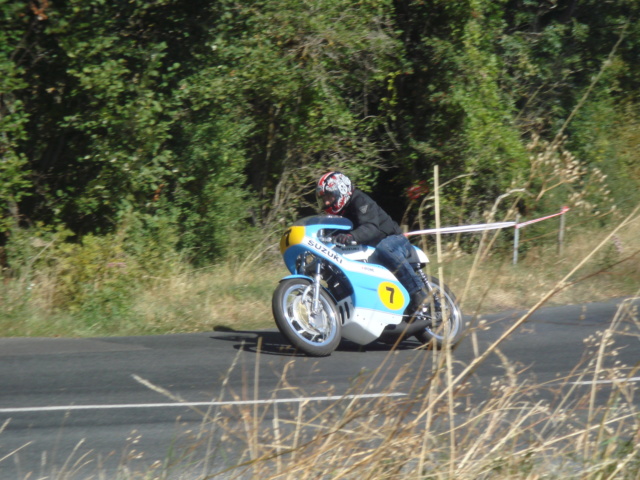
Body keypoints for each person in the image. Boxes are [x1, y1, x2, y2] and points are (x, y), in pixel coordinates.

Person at [316, 171, 428, 317]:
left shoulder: (359, 200)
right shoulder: (337, 216)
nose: (326, 203)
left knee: (384, 247)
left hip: (394, 240)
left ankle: (417, 293)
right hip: (369, 250)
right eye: (324, 199)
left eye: (329, 197)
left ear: (341, 191)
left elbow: (371, 227)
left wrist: (351, 236)